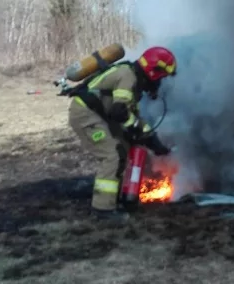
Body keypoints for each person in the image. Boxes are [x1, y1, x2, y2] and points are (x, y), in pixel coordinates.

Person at [68, 46, 176, 220]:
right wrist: (136, 130)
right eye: (161, 77)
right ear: (154, 71)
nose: (160, 82)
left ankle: (120, 196)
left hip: (100, 114)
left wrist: (154, 142)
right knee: (113, 155)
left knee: (125, 148)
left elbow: (131, 115)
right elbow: (120, 112)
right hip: (86, 115)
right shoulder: (128, 77)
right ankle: (103, 210)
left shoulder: (133, 79)